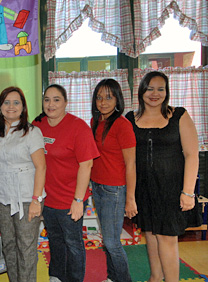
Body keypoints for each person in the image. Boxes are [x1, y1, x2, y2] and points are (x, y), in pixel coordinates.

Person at [125, 71, 201, 282]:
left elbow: (191, 154)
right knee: (150, 235)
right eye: (150, 88)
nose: (154, 93)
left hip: (171, 190)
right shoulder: (131, 118)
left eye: (160, 89)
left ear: (167, 92)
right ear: (141, 91)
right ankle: (155, 278)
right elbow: (126, 157)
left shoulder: (179, 115)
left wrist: (188, 192)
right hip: (144, 189)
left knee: (167, 238)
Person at [32, 84, 99, 282]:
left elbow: (86, 165)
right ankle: (56, 276)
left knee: (73, 243)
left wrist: (78, 200)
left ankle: (75, 278)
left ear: (66, 103)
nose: (51, 104)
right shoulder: (37, 126)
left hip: (71, 198)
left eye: (56, 100)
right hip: (48, 198)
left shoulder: (78, 127)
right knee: (55, 240)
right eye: (47, 100)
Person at [0, 87, 46, 282]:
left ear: (23, 107)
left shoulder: (32, 131)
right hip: (0, 197)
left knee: (26, 247)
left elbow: (41, 167)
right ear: (0, 106)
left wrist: (36, 200)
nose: (11, 107)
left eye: (16, 102)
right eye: (6, 102)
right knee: (8, 245)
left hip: (27, 197)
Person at [90, 79, 137, 282]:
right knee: (107, 240)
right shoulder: (95, 121)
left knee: (112, 242)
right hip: (97, 186)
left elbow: (131, 164)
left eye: (108, 97)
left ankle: (124, 279)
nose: (103, 102)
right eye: (99, 97)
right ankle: (112, 277)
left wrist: (130, 199)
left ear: (117, 98)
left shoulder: (122, 125)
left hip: (115, 190)